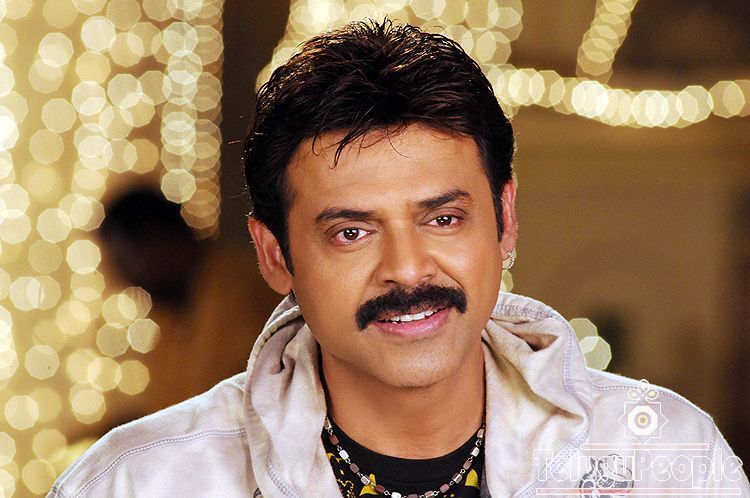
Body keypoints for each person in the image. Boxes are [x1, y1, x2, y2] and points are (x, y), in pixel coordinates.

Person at [49, 19, 749, 498]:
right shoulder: (140, 482)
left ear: (505, 222)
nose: (409, 270)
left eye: (443, 219)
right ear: (275, 255)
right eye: (351, 233)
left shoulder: (663, 462)